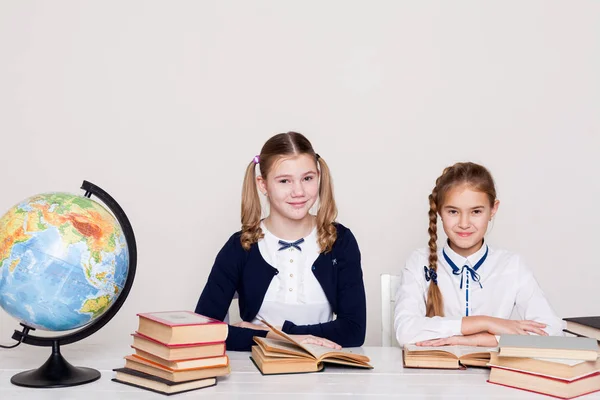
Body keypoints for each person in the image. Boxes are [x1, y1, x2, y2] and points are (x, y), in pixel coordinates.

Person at [195, 132, 366, 351]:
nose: (299, 191)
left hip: (324, 373)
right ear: (263, 185)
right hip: (255, 372)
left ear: (319, 177)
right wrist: (273, 337)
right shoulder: (240, 246)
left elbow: (353, 331)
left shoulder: (340, 241)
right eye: (284, 181)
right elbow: (201, 329)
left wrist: (277, 334)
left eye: (307, 178)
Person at [394, 162, 563, 347]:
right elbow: (405, 331)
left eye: (476, 211)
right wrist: (485, 322)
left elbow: (552, 332)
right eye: (453, 211)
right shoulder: (420, 262)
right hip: (432, 374)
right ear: (439, 211)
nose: (464, 223)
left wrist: (480, 340)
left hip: (495, 373)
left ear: (493, 209)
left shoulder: (511, 265)